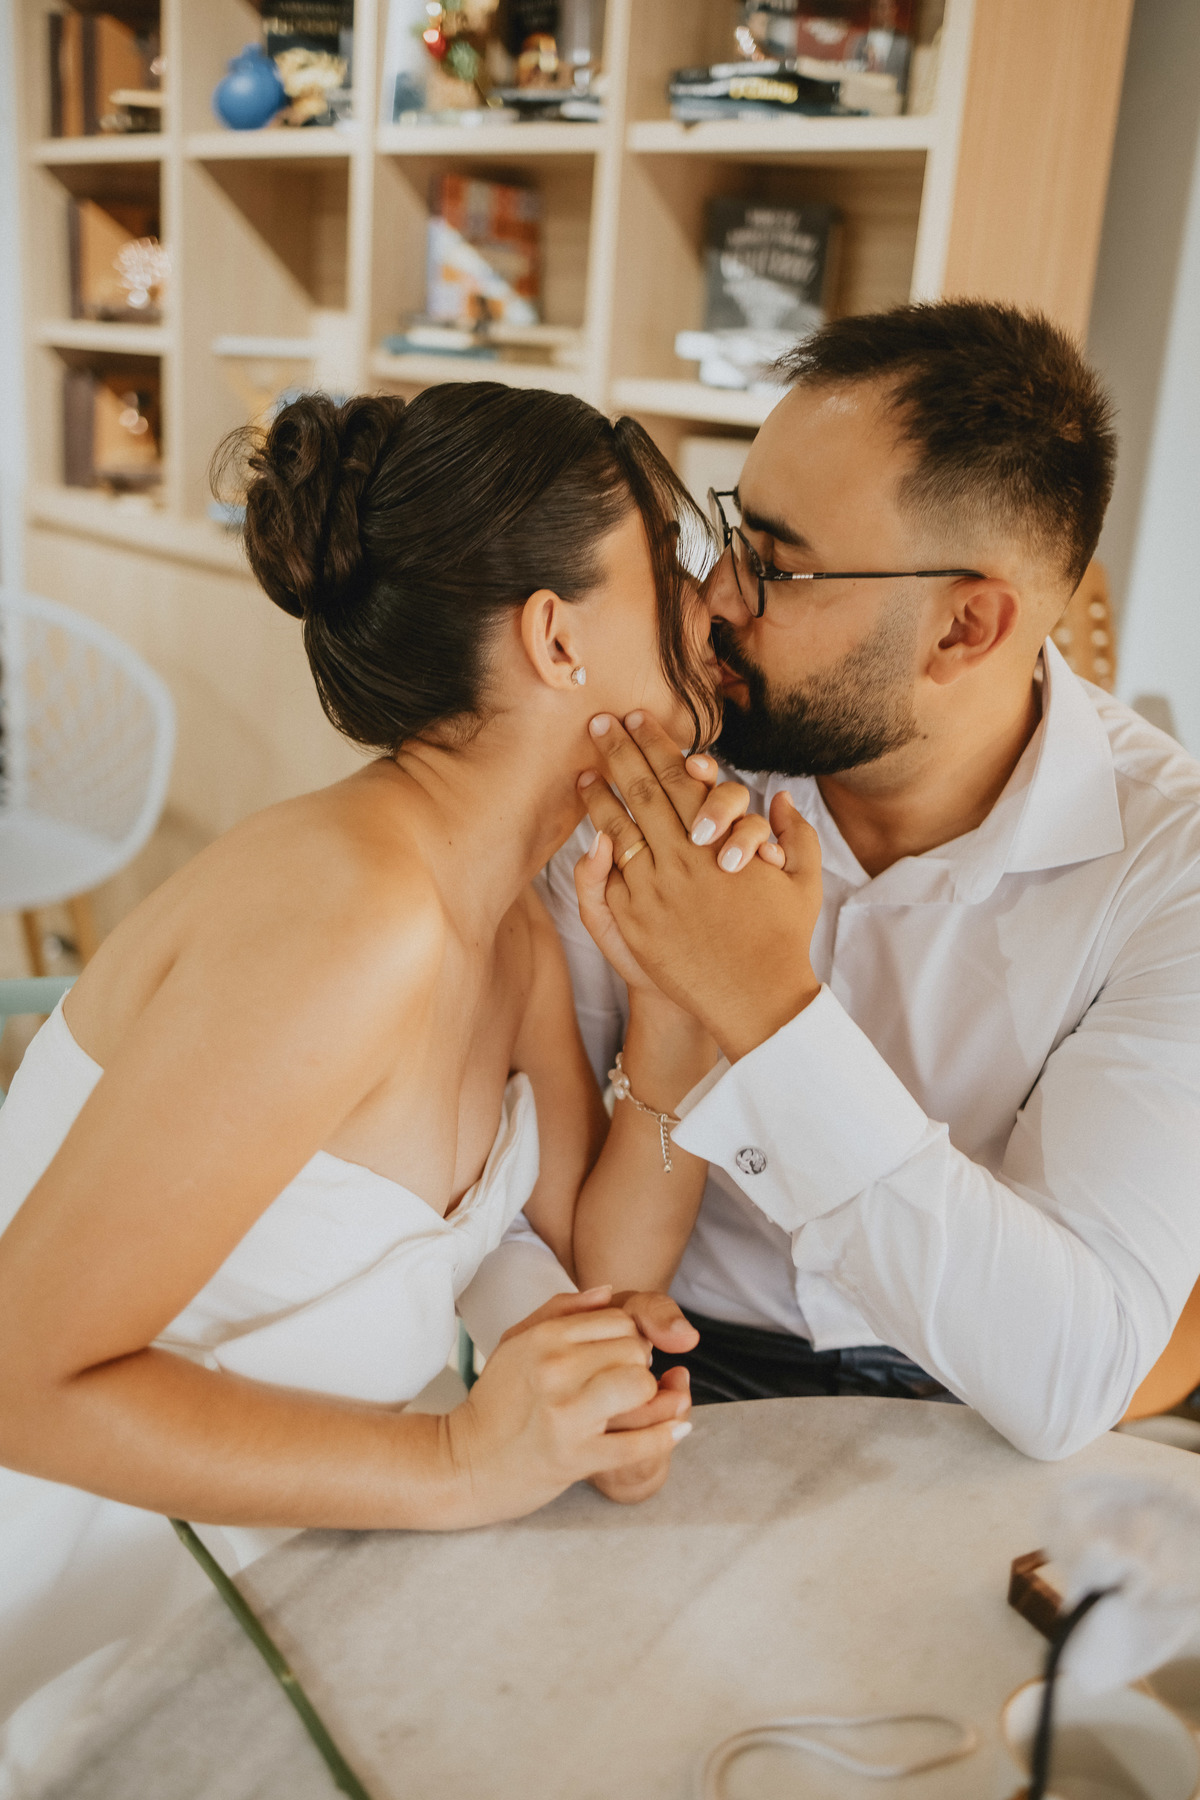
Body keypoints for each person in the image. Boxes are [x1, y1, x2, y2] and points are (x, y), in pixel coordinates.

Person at [0, 384, 722, 1780]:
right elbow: (19, 1381)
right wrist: (468, 1462)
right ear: (556, 637)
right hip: (74, 1633)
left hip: (280, 1606)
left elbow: (600, 1262)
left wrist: (681, 998)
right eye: (671, 563)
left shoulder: (510, 921)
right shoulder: (351, 919)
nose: (710, 609)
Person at [543, 300, 1200, 1463]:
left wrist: (763, 1004)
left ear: (964, 627)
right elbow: (516, 1168)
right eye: (733, 534)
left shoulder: (1169, 870)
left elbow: (1070, 1369)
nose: (717, 598)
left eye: (778, 566)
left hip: (974, 1401)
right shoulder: (660, 755)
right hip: (663, 1354)